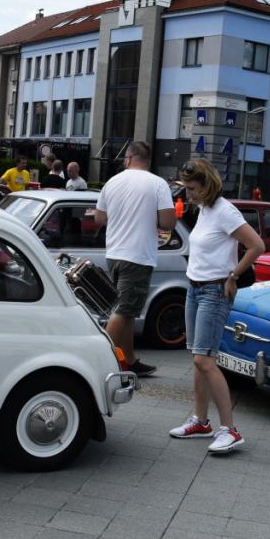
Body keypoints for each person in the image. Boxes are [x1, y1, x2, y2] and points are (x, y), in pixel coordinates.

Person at [169, 158, 264, 454]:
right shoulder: (205, 209)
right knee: (199, 358)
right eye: (186, 188)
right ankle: (200, 421)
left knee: (205, 361)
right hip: (195, 288)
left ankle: (230, 430)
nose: (187, 194)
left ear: (206, 185)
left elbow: (257, 245)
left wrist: (234, 276)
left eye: (192, 188)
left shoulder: (224, 210)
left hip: (214, 291)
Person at [93, 141, 174, 377]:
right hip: (138, 255)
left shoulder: (112, 182)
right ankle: (97, 359)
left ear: (128, 158)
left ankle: (129, 360)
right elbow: (168, 222)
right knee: (124, 309)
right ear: (147, 160)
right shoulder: (157, 184)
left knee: (127, 310)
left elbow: (99, 218)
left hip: (114, 253)